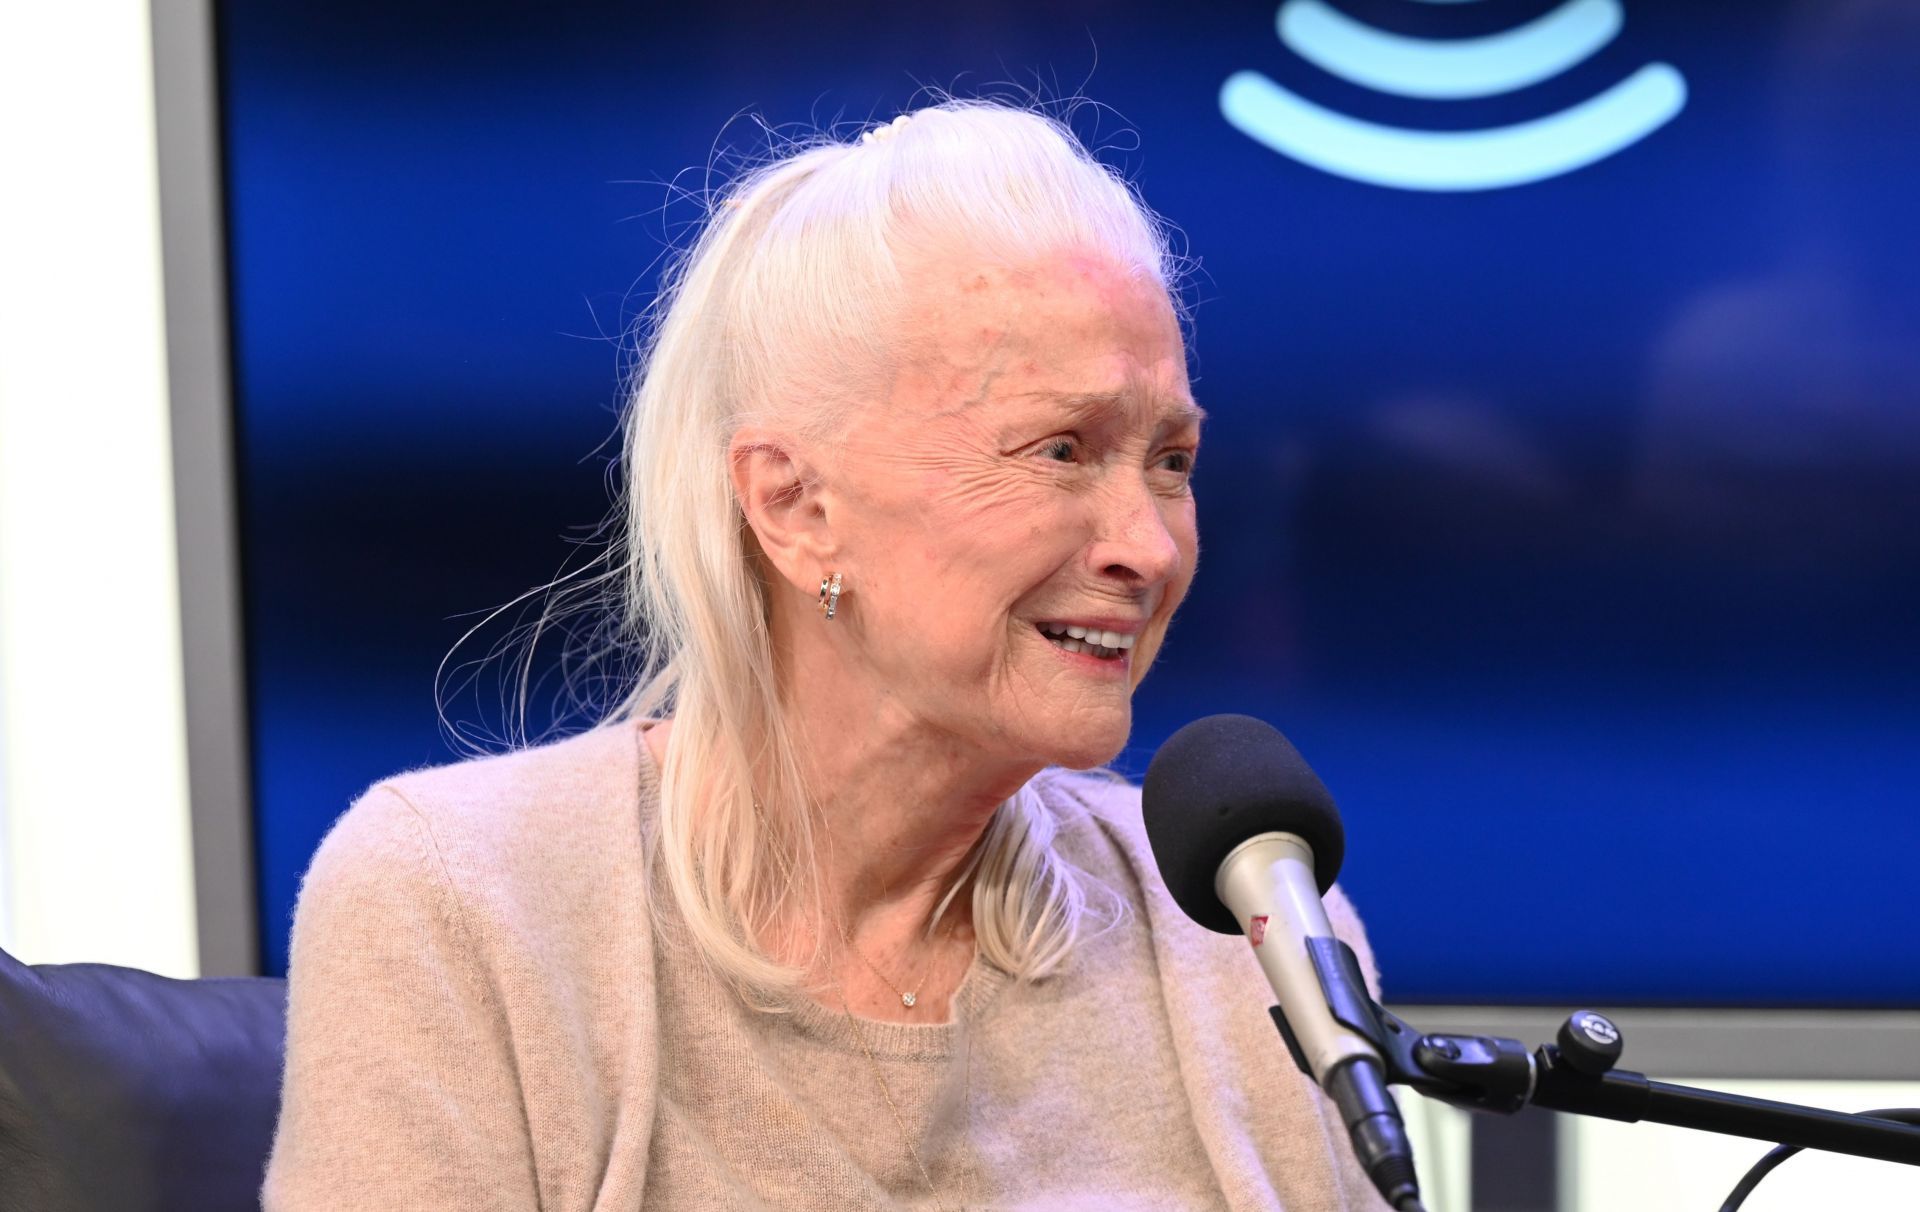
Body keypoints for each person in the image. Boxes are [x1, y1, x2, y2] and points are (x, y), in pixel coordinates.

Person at [262, 99, 1393, 1211]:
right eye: (1061, 449)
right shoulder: (460, 907)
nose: (1147, 547)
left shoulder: (1256, 937)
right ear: (795, 506)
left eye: (1170, 460)